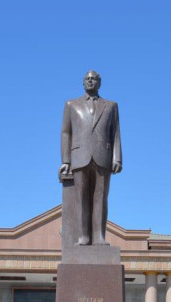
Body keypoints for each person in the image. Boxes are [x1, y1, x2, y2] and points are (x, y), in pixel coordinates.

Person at [59, 70, 122, 246]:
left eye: (94, 79)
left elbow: (115, 133)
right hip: (79, 156)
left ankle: (99, 237)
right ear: (83, 82)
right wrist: (66, 160)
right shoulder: (71, 105)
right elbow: (66, 133)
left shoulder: (111, 106)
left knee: (101, 198)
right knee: (82, 198)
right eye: (87, 79)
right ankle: (83, 237)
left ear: (99, 83)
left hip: (104, 156)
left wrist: (117, 158)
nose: (90, 81)